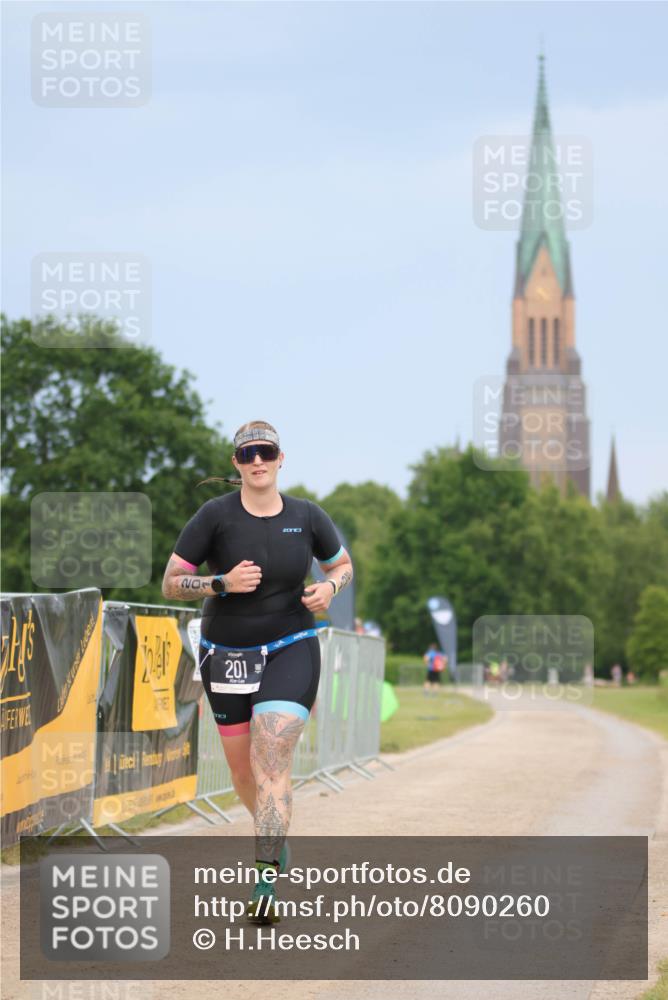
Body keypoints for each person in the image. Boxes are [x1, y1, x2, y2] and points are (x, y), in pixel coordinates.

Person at [161, 420, 353, 923]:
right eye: (248, 454)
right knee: (243, 770)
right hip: (227, 651)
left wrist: (330, 590)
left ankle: (264, 879)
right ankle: (275, 838)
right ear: (237, 464)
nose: (258, 461)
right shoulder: (214, 516)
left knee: (271, 760)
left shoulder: (308, 516)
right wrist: (220, 583)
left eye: (266, 452)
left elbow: (342, 565)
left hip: (292, 643)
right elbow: (171, 582)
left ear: (281, 458)